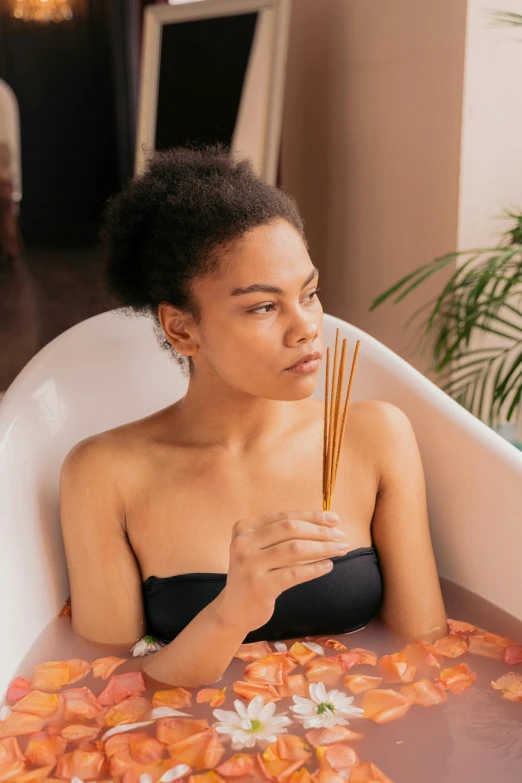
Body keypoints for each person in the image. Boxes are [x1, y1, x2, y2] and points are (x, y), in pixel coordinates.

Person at [59, 142, 448, 688]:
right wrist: (232, 612)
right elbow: (109, 689)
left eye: (309, 293)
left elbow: (426, 648)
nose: (306, 327)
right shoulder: (104, 473)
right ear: (182, 329)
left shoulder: (374, 434)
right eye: (264, 306)